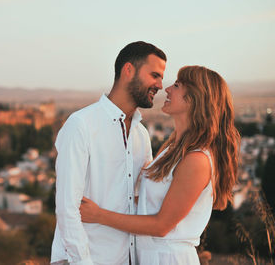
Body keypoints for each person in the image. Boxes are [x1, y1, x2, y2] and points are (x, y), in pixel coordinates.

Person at [80, 65, 240, 264]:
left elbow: (161, 225)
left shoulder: (197, 160)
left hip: (170, 258)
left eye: (177, 85)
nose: (167, 89)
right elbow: (149, 203)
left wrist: (99, 215)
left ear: (195, 98)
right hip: (150, 257)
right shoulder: (172, 149)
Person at [50, 41, 167, 265]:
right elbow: (67, 207)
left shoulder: (141, 134)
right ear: (128, 70)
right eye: (155, 75)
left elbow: (142, 199)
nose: (160, 85)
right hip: (84, 259)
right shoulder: (81, 125)